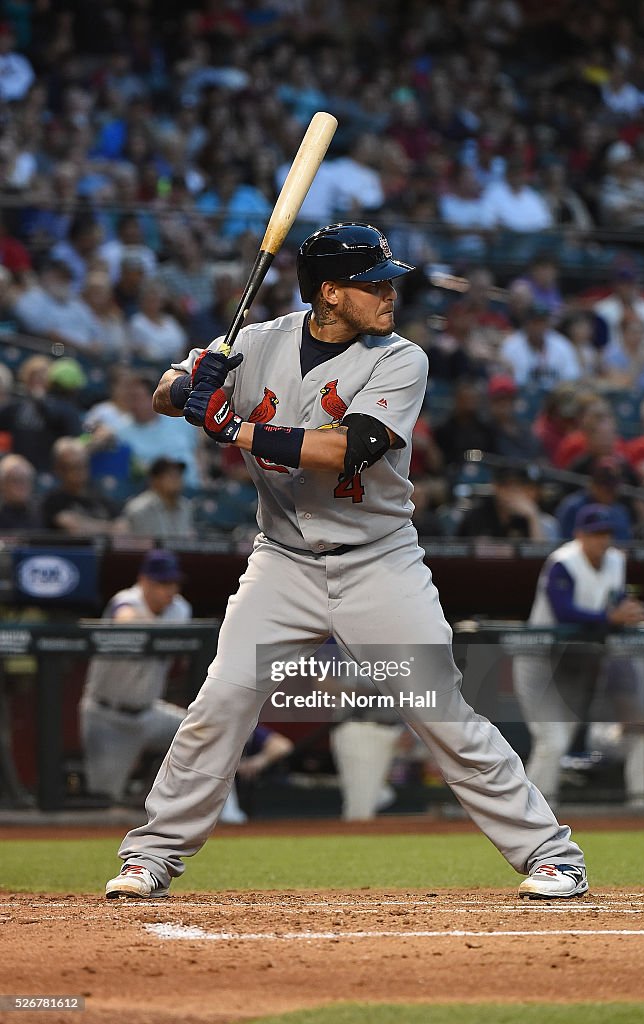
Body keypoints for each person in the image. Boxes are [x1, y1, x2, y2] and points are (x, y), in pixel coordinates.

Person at [105, 221, 587, 902]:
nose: (390, 295)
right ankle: (150, 856)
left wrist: (233, 426)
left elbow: (347, 447)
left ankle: (551, 853)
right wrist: (188, 387)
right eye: (374, 285)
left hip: (377, 563)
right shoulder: (255, 342)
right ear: (330, 293)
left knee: (438, 711)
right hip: (283, 562)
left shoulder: (400, 358)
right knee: (219, 703)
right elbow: (163, 390)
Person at [513, 504, 644, 808]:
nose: (602, 540)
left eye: (606, 533)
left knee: (558, 742)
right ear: (579, 535)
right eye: (595, 533)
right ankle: (529, 812)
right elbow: (564, 612)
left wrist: (628, 610)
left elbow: (615, 599)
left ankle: (535, 810)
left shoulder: (615, 560)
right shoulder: (563, 561)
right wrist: (610, 617)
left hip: (576, 660)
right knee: (553, 740)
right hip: (540, 657)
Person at [79, 549, 192, 803]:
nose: (170, 590)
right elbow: (124, 619)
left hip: (150, 713)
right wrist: (154, 628)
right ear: (143, 581)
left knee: (203, 735)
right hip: (107, 716)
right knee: (105, 798)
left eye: (173, 583)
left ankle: (218, 813)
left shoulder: (180, 609)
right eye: (162, 583)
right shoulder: (127, 600)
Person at [120, 456, 195, 540]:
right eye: (170, 475)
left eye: (179, 474)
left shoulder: (186, 506)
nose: (177, 479)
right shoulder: (139, 508)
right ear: (155, 479)